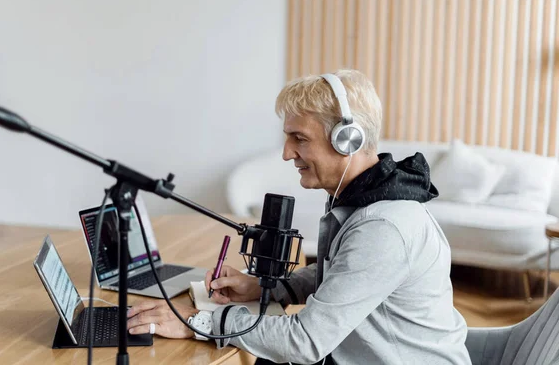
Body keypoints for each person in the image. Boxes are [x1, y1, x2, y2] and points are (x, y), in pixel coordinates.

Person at [126, 69, 471, 364]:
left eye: (299, 139)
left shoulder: (383, 227)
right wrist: (270, 287)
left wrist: (200, 321)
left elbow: (306, 341)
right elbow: (343, 273)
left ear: (346, 140)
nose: (287, 153)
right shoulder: (361, 199)